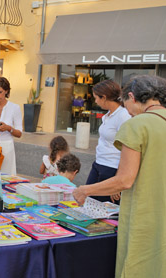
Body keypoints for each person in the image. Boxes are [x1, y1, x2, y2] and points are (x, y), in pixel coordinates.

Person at [72, 75, 166, 277]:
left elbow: (125, 179)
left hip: (145, 215)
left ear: (131, 97)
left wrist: (84, 190)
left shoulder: (137, 124)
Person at [85, 80, 131, 204]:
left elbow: (127, 149)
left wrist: (118, 180)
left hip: (112, 168)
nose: (95, 101)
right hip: (99, 163)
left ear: (104, 97)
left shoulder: (123, 116)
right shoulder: (108, 115)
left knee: (106, 209)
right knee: (90, 203)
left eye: (96, 98)